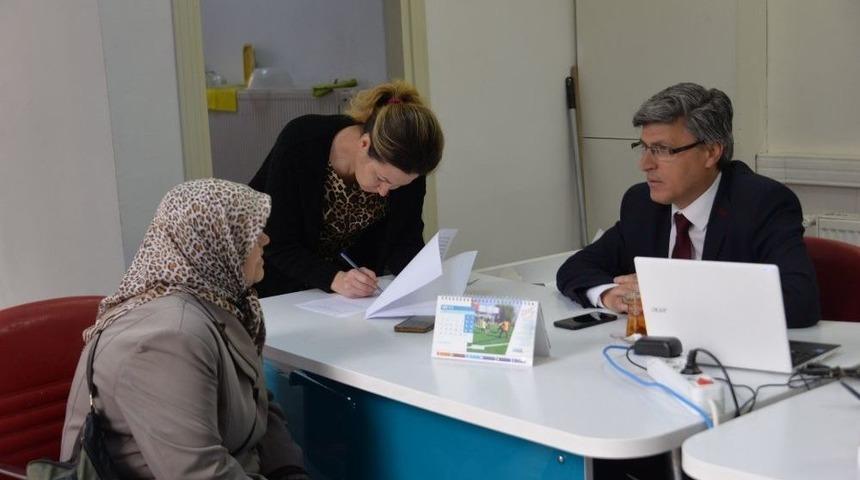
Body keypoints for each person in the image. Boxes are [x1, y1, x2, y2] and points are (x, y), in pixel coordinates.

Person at [60, 179, 308, 479]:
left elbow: (258, 402)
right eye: (252, 230)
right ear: (213, 244)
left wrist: (289, 471)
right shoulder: (169, 338)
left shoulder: (221, 304)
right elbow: (197, 473)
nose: (265, 239)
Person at [556, 82, 820, 329]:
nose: (645, 164)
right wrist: (609, 294)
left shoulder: (761, 203)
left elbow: (799, 302)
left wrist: (672, 291)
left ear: (711, 152)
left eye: (662, 150)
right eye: (643, 147)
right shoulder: (642, 204)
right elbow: (576, 268)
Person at [249, 80, 444, 299]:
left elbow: (404, 240)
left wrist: (425, 276)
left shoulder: (406, 168)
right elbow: (277, 242)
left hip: (344, 297)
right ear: (364, 144)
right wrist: (335, 279)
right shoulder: (302, 142)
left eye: (397, 185)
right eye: (381, 179)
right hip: (271, 284)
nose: (385, 192)